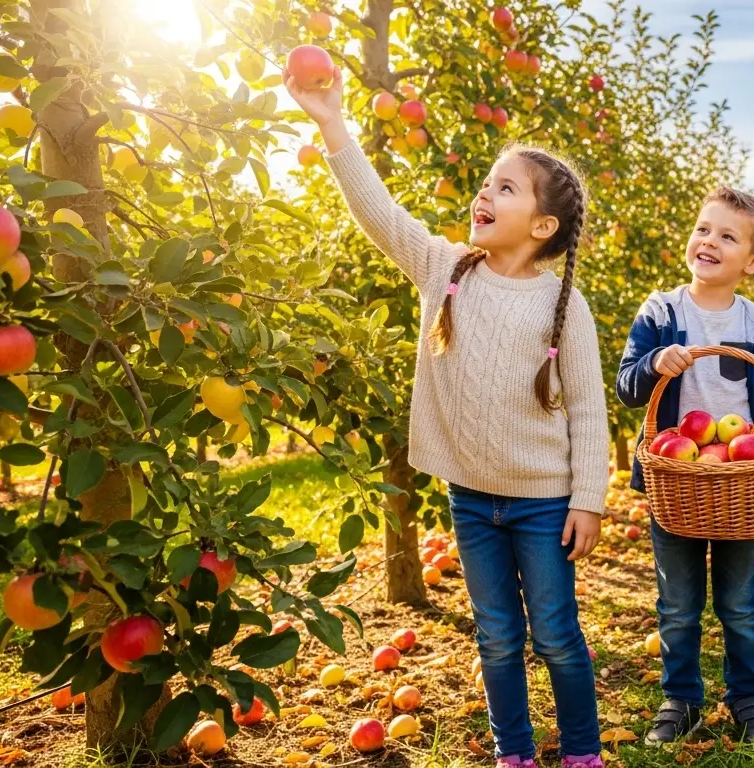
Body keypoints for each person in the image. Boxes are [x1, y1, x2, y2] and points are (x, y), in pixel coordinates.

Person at [286, 68, 608, 768]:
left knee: (555, 633)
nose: (484, 193)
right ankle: (512, 753)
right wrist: (331, 124)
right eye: (487, 182)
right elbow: (381, 214)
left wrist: (589, 501)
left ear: (543, 225)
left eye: (505, 187)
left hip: (544, 502)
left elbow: (587, 408)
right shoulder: (446, 269)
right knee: (496, 634)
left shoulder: (563, 304)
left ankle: (583, 751)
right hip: (472, 500)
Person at [616, 187, 754, 747]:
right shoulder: (662, 311)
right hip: (678, 481)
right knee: (677, 602)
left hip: (743, 485)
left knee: (740, 602)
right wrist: (654, 363)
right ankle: (681, 700)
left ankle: (747, 697)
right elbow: (627, 387)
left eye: (728, 236)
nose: (710, 242)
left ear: (753, 262)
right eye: (703, 229)